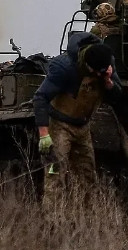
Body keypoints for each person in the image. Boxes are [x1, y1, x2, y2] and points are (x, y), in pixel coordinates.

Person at [33, 32, 122, 209]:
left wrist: (109, 83)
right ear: (87, 64)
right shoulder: (64, 67)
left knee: (88, 177)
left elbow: (117, 96)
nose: (98, 74)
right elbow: (40, 97)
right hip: (59, 126)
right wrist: (44, 134)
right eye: (95, 71)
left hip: (83, 127)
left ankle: (85, 220)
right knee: (55, 174)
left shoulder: (106, 62)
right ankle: (52, 222)